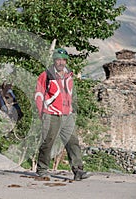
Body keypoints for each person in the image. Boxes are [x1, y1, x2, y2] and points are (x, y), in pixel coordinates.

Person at [34, 48, 90, 181]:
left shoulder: (69, 75)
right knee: (48, 141)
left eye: (63, 60)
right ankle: (42, 169)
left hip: (67, 115)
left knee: (73, 142)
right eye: (58, 59)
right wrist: (41, 112)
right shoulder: (46, 75)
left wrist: (72, 109)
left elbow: (70, 94)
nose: (61, 62)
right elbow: (38, 94)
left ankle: (78, 170)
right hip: (51, 113)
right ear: (54, 60)